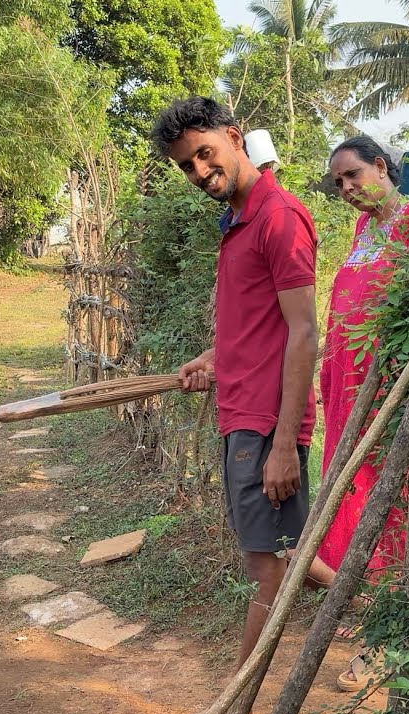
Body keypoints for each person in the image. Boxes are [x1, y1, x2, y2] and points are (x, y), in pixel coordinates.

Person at [150, 98, 320, 677]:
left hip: (263, 423)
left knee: (266, 570)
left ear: (233, 135)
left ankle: (235, 702)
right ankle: (367, 595)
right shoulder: (238, 218)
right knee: (283, 551)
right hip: (242, 412)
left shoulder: (278, 216)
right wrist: (214, 359)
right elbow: (257, 329)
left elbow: (303, 333)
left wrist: (281, 445)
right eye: (186, 165)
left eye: (205, 153)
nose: (200, 172)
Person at [309, 135, 409, 691]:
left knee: (387, 497)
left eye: (353, 176)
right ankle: (366, 603)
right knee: (349, 496)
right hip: (348, 389)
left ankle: (389, 626)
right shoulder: (362, 231)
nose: (347, 189)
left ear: (381, 166)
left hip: (387, 395)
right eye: (340, 184)